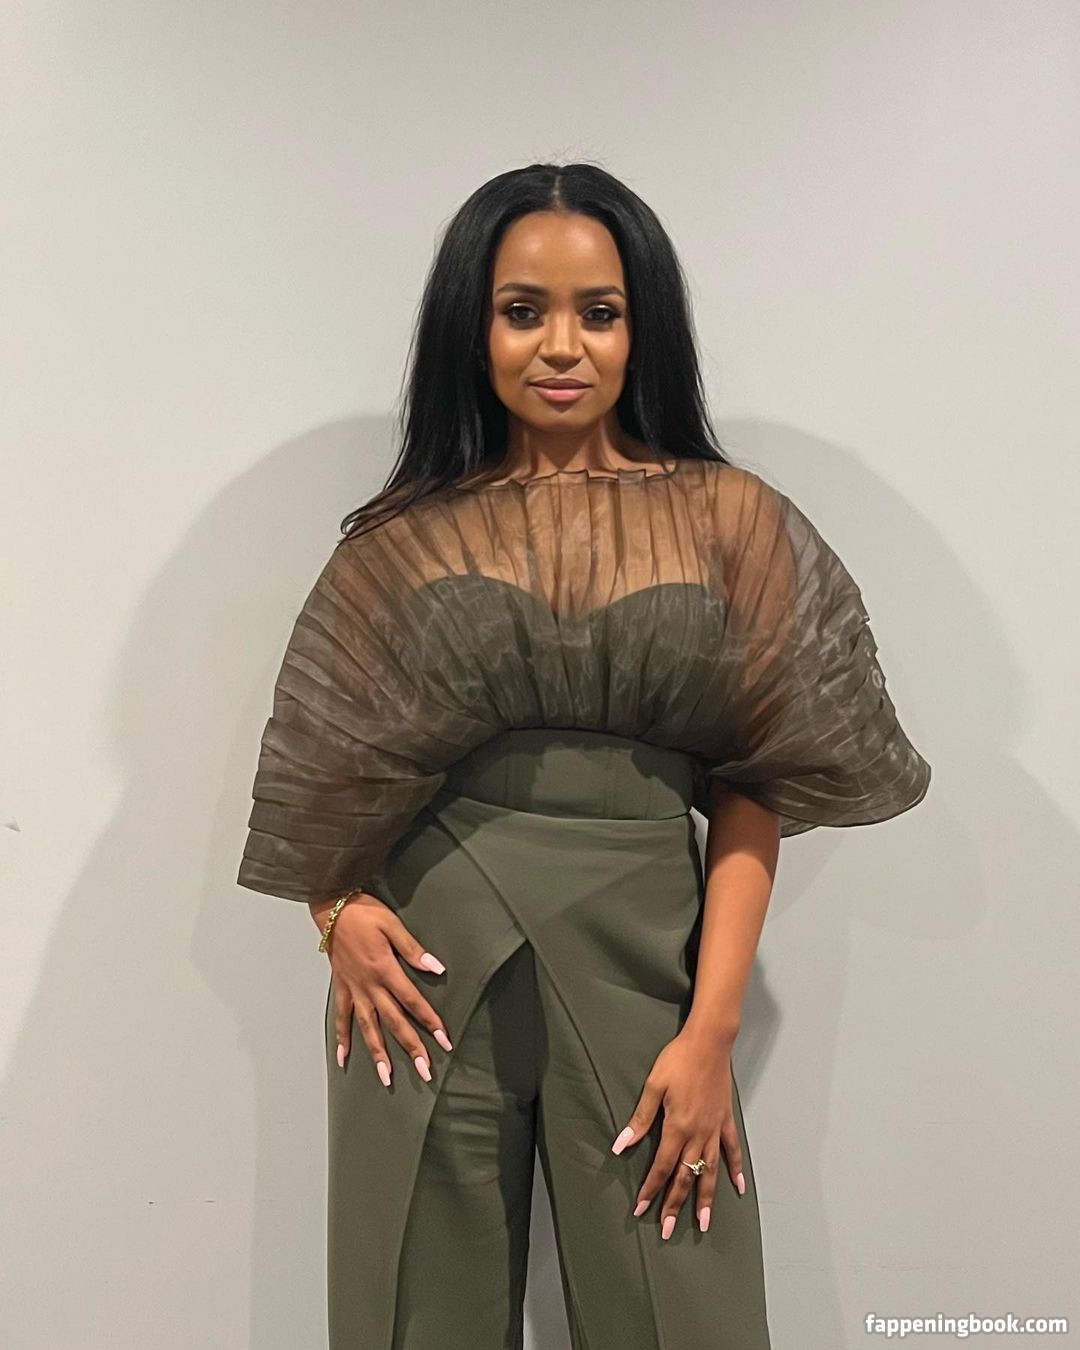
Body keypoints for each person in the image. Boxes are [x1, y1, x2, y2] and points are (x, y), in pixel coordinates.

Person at [235, 162, 932, 1350]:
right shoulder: (400, 541)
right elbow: (326, 759)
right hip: (425, 966)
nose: (561, 346)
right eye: (523, 311)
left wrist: (711, 1031)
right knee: (417, 1309)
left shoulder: (733, 520)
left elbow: (757, 780)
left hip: (646, 957)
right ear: (474, 329)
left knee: (685, 1309)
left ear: (640, 327)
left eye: (599, 312)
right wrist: (335, 910)